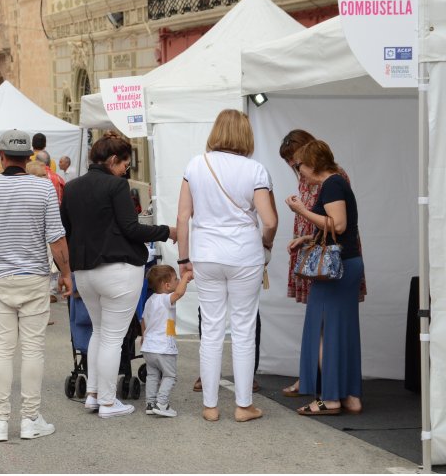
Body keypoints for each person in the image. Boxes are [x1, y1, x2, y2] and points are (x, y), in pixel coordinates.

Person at [0, 129, 72, 442]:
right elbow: (56, 238)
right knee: (33, 349)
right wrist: (66, 273)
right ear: (28, 156)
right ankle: (30, 418)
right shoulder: (43, 188)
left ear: (1, 155)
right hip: (34, 276)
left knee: (3, 350)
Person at [61, 132, 176, 419]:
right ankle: (108, 402)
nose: (126, 170)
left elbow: (67, 229)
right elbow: (131, 228)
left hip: (84, 271)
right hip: (118, 270)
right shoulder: (116, 185)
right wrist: (167, 231)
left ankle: (94, 395)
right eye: (125, 164)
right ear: (113, 160)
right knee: (113, 337)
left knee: (99, 332)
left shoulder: (71, 187)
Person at [176, 109, 277, 423]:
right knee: (244, 329)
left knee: (211, 329)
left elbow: (183, 217)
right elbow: (270, 220)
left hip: (206, 254)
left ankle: (210, 406)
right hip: (245, 254)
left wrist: (183, 260)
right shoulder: (256, 170)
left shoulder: (196, 164)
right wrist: (266, 243)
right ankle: (244, 406)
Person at [278, 130, 367, 397]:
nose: (295, 168)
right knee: (330, 326)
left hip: (332, 258)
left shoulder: (332, 181)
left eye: (296, 161)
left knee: (326, 326)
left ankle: (328, 393)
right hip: (322, 252)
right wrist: (307, 237)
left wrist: (302, 212)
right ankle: (335, 389)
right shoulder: (324, 181)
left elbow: (338, 224)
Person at [141, 265, 192, 418]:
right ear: (167, 285)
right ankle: (162, 403)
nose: (178, 281)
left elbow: (143, 320)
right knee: (170, 376)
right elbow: (179, 293)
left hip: (149, 347)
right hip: (163, 347)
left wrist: (144, 336)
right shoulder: (164, 299)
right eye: (176, 279)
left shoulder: (150, 300)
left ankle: (150, 403)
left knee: (152, 375)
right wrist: (186, 277)